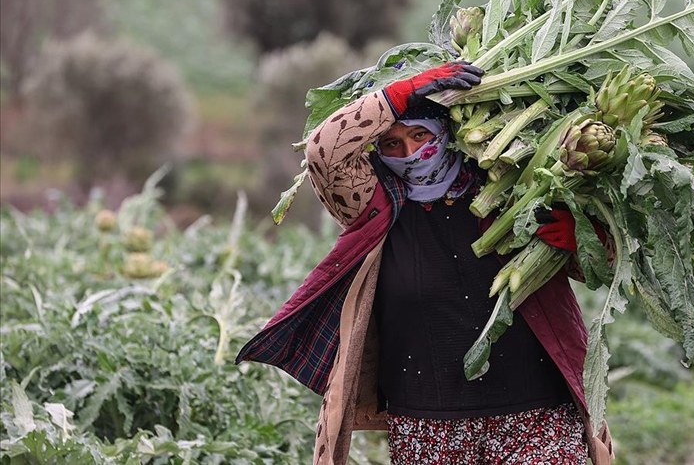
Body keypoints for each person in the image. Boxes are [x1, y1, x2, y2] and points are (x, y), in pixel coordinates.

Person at [236, 62, 614, 465]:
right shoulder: (375, 204)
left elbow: (602, 267)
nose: (411, 153)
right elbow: (323, 152)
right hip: (427, 421)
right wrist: (400, 94)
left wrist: (585, 239)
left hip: (538, 409)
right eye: (392, 144)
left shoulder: (510, 187)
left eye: (420, 135)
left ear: (447, 134)